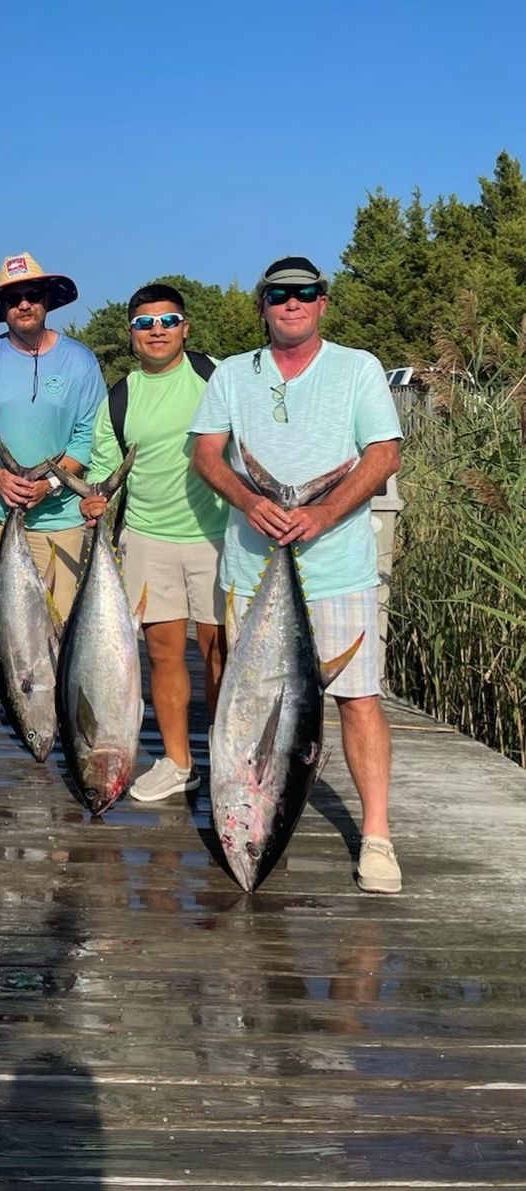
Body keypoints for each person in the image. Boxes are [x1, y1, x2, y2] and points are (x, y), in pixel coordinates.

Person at [190, 254, 404, 894]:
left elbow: (385, 452)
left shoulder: (357, 367)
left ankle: (377, 837)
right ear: (263, 305)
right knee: (238, 700)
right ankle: (238, 797)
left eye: (305, 293)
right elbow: (206, 452)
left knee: (359, 699)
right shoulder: (232, 373)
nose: (292, 303)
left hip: (338, 569)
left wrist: (322, 512)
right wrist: (250, 500)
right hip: (251, 567)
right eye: (279, 294)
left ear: (322, 303)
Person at [0, 252, 105, 741]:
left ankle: (54, 696)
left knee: (61, 610)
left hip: (56, 514)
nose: (24, 304)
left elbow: (86, 437)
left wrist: (50, 484)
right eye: (13, 298)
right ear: (3, 307)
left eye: (32, 295)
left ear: (48, 302)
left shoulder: (80, 361)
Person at [80, 282, 227, 801]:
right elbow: (102, 467)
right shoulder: (120, 397)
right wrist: (93, 499)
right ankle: (177, 761)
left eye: (167, 321)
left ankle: (225, 755)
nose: (157, 331)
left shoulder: (216, 377)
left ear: (186, 327)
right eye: (145, 324)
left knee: (219, 653)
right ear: (132, 335)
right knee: (164, 656)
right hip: (145, 538)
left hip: (217, 536)